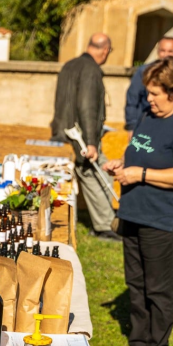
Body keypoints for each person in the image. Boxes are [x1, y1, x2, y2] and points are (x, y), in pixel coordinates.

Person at [102, 58, 173, 346]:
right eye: (148, 93)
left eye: (155, 94)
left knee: (158, 290)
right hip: (133, 212)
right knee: (136, 284)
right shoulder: (150, 115)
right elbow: (140, 150)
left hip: (161, 219)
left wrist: (141, 174)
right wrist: (122, 164)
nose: (148, 100)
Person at [51, 33, 119, 241]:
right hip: (80, 138)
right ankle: (105, 226)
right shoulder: (91, 70)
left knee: (97, 175)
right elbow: (87, 106)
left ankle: (104, 222)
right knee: (97, 175)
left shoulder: (70, 65)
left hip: (64, 133)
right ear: (105, 50)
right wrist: (90, 142)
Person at [124, 36, 173, 128]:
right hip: (149, 121)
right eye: (163, 51)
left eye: (170, 51)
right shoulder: (145, 72)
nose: (166, 55)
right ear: (157, 51)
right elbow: (132, 99)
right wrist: (132, 125)